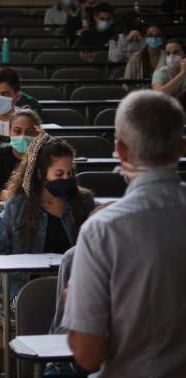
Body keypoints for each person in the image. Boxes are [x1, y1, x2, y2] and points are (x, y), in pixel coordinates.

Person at [61, 90, 186, 376]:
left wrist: (75, 302)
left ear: (121, 150)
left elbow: (87, 354)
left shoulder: (103, 230)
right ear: (182, 148)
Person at [0, 134, 95, 299]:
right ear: (40, 174)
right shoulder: (18, 205)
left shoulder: (83, 201)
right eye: (59, 174)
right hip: (25, 286)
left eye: (70, 173)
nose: (66, 179)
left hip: (72, 284)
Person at [0, 109, 42, 201]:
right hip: (1, 211)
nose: (22, 136)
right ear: (9, 132)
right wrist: (5, 195)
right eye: (17, 131)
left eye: (29, 132)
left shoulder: (45, 156)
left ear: (37, 133)